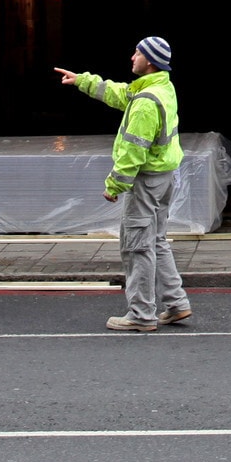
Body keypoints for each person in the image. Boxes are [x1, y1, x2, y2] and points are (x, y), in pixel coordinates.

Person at [55, 35, 191, 333]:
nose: (132, 56)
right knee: (156, 240)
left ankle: (141, 314)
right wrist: (82, 81)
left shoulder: (145, 104)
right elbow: (119, 94)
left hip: (145, 181)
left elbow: (133, 151)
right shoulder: (161, 88)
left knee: (136, 245)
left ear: (150, 61)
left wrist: (115, 185)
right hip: (164, 177)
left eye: (138, 53)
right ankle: (176, 303)